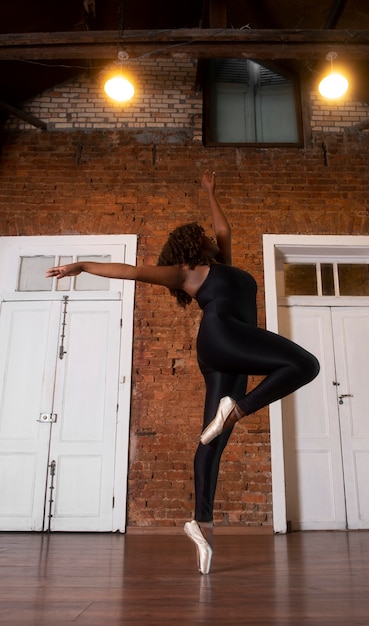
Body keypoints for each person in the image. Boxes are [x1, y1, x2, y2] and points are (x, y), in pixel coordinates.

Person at [46, 170, 320, 575]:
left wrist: (211, 191)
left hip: (225, 350)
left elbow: (224, 227)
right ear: (193, 244)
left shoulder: (221, 263)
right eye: (205, 236)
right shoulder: (187, 273)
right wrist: (84, 266)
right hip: (223, 337)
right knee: (305, 365)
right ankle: (238, 410)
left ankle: (202, 524)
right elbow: (133, 272)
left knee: (214, 436)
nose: (212, 237)